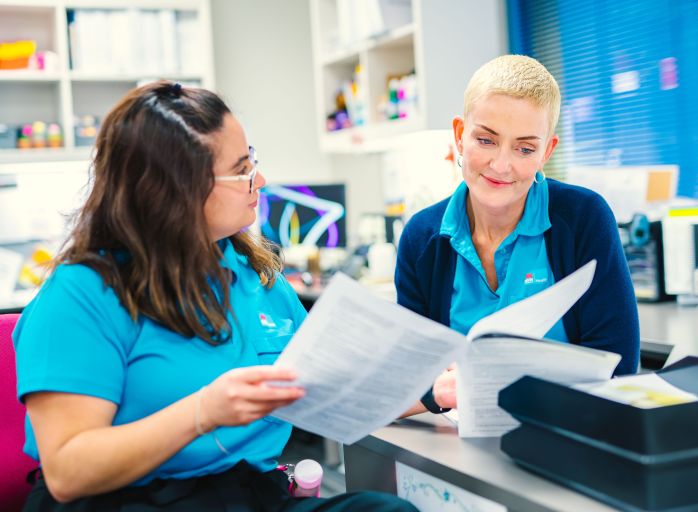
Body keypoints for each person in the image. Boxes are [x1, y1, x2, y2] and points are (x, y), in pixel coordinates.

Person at [14, 81, 417, 512]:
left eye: (253, 161)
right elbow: (67, 472)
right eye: (242, 169)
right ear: (176, 189)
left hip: (244, 496)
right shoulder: (81, 294)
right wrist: (204, 411)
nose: (259, 180)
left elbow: (334, 386)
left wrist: (434, 390)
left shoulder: (254, 278)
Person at [395, 55, 640, 414]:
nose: (501, 165)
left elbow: (617, 366)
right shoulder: (422, 237)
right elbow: (403, 382)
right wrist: (439, 393)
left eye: (525, 148)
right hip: (454, 442)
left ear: (546, 152)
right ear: (460, 136)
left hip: (563, 431)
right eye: (486, 140)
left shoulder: (583, 217)